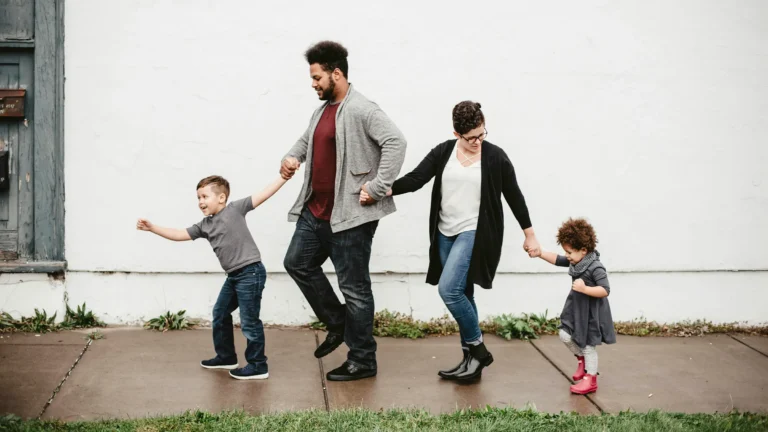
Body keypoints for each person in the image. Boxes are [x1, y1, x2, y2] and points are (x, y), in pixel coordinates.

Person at [361, 101, 540, 382]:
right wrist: (379, 191)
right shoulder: (444, 152)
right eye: (471, 138)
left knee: (449, 291)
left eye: (482, 134)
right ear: (457, 134)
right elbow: (416, 179)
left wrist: (529, 234)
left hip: (474, 232)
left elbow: (514, 195)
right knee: (464, 294)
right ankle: (471, 362)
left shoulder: (495, 157)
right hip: (445, 233)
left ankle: (479, 351)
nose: (478, 141)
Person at [280, 41, 407, 382]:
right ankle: (338, 325)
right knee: (297, 263)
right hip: (316, 211)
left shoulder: (362, 109)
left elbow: (397, 142)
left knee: (355, 289)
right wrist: (291, 157)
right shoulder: (322, 110)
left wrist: (378, 187)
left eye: (317, 77)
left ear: (336, 73)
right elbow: (307, 141)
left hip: (349, 217)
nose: (313, 83)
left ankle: (363, 359)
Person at [137, 175, 288, 380]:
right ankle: (226, 357)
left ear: (221, 198)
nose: (200, 202)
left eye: (205, 196)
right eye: (198, 198)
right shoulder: (204, 226)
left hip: (251, 273)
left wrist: (283, 177)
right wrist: (152, 228)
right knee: (220, 312)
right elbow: (180, 234)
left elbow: (263, 194)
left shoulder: (235, 209)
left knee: (249, 321)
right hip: (234, 276)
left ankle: (258, 365)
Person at [531, 217, 616, 394]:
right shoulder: (575, 262)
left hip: (591, 313)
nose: (567, 256)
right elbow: (557, 259)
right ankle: (581, 360)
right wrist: (540, 253)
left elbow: (605, 290)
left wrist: (585, 289)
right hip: (576, 308)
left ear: (583, 250)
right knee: (564, 334)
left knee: (587, 346)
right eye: (566, 252)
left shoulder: (595, 267)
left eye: (569, 252)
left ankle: (590, 379)